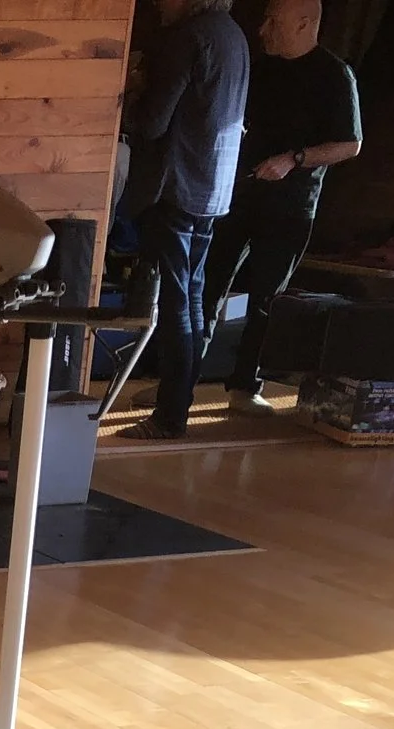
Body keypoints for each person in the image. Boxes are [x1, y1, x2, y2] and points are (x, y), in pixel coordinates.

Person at [205, 0, 362, 409]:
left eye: (274, 21)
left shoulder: (334, 75)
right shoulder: (261, 68)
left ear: (305, 23)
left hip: (291, 206)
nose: (263, 29)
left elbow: (349, 144)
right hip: (238, 197)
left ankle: (244, 388)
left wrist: (294, 159)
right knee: (205, 289)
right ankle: (180, 384)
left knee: (265, 301)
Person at [122, 0, 250, 440]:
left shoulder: (186, 37)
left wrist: (126, 99)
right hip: (210, 187)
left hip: (172, 184)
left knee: (175, 305)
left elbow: (154, 123)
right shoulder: (232, 34)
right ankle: (177, 405)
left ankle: (169, 416)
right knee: (191, 302)